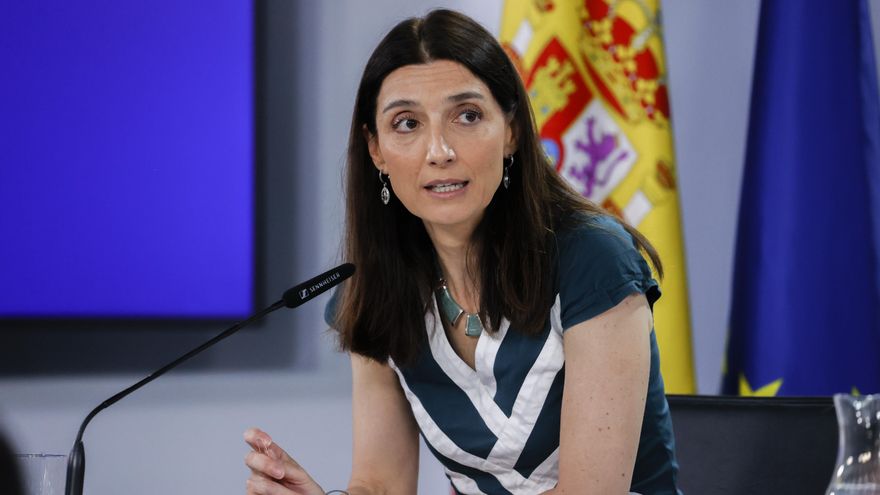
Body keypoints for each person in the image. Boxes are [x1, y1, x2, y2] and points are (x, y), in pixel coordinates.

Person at [244, 9, 680, 495]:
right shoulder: (372, 289)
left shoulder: (593, 260)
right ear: (376, 150)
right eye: (406, 123)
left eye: (467, 116)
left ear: (511, 130)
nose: (439, 150)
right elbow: (381, 483)